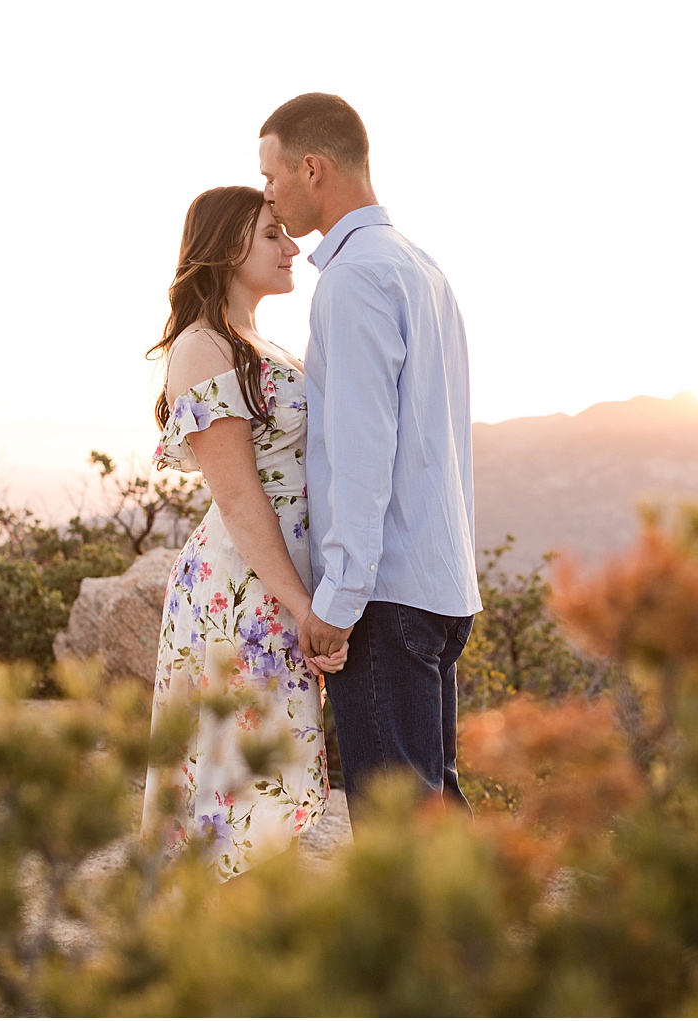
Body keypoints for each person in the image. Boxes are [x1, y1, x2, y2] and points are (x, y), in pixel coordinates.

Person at [258, 94, 483, 825]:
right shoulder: (420, 266)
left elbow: (362, 451)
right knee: (432, 815)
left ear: (311, 169)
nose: (269, 193)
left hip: (385, 596)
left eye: (271, 175)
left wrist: (338, 602)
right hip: (440, 584)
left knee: (399, 839)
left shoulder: (354, 278)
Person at [141, 185, 347, 881]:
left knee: (274, 759)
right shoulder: (201, 348)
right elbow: (236, 494)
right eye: (272, 235)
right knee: (235, 770)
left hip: (279, 578)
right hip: (244, 587)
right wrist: (302, 605)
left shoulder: (265, 343)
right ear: (229, 247)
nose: (292, 247)